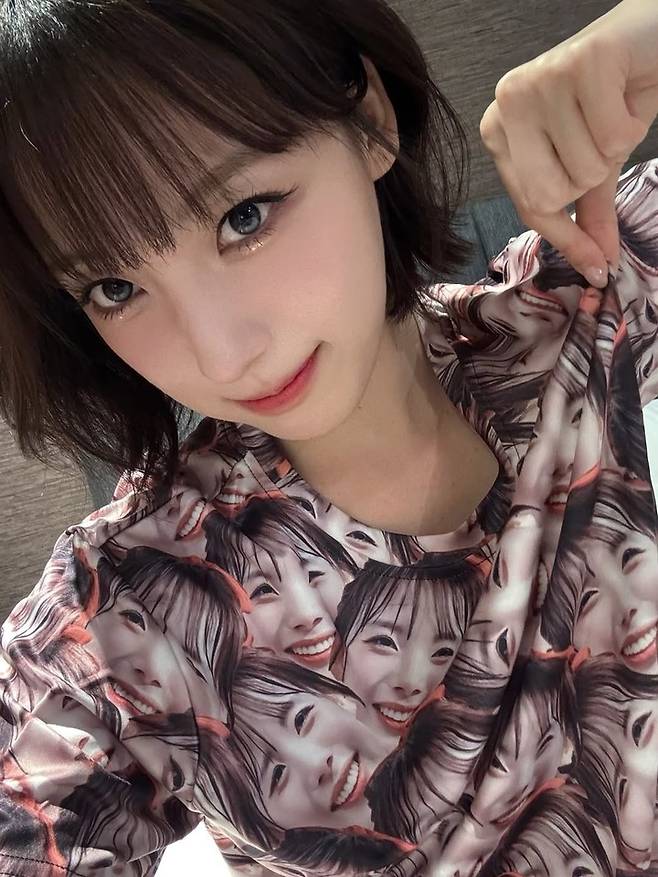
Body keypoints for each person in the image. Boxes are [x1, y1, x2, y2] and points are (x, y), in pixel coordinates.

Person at [1, 0, 658, 874]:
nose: (223, 355)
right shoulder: (133, 605)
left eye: (244, 216)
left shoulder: (575, 309)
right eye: (114, 288)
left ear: (371, 120)